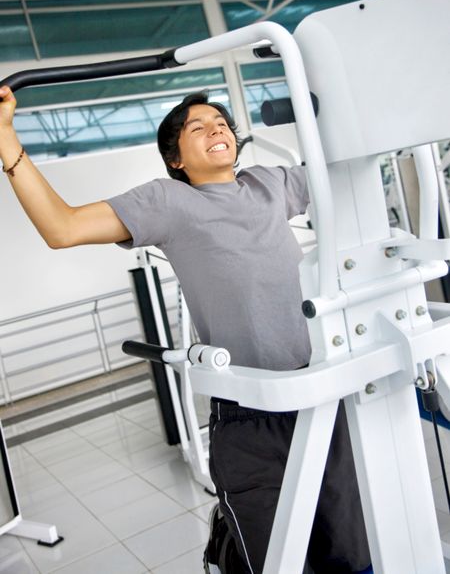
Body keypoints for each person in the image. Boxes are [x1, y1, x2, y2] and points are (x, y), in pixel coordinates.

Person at [0, 85, 370, 573]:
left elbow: (343, 174)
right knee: (276, 557)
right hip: (248, 412)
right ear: (176, 159)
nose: (216, 128)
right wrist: (7, 140)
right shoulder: (168, 201)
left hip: (316, 394)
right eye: (197, 127)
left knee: (351, 549)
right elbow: (61, 228)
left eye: (220, 122)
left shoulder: (269, 184)